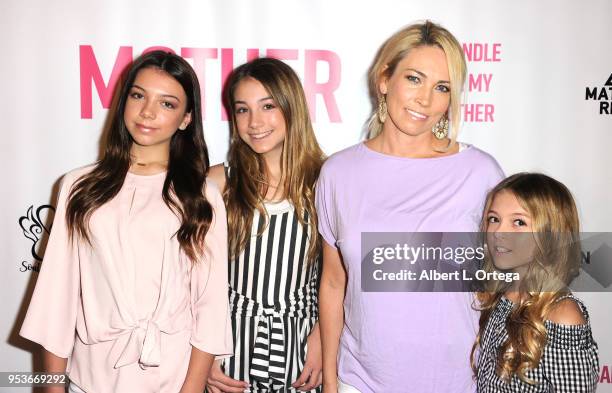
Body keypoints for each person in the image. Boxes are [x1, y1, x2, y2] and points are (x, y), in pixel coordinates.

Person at [20, 50, 232, 393]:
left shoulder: (201, 195)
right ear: (124, 102)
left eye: (167, 103)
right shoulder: (78, 185)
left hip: (173, 380)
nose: (148, 112)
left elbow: (209, 307)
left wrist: (190, 390)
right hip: (91, 380)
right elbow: (57, 299)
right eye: (138, 96)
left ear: (185, 118)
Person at [315, 21, 505, 392]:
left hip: (455, 381)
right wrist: (330, 383)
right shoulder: (338, 173)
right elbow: (334, 284)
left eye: (442, 88)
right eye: (415, 79)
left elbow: (515, 276)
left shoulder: (480, 172)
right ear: (384, 79)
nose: (426, 99)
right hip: (360, 382)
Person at [207, 57, 325, 393]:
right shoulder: (219, 181)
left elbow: (341, 277)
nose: (254, 122)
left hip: (304, 356)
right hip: (228, 355)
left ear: (292, 107)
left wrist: (323, 335)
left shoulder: (326, 182)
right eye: (242, 109)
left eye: (268, 106)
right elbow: (189, 275)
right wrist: (202, 353)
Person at [472, 173, 599, 392]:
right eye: (494, 219)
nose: (499, 233)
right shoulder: (498, 296)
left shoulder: (562, 315)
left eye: (519, 222)